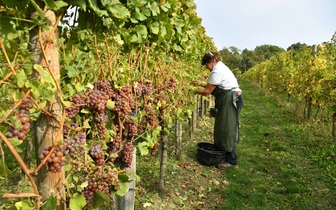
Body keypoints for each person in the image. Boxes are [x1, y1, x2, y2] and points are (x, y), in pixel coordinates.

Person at [194, 51, 243, 168]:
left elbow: (207, 92)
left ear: (213, 62)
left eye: (207, 64)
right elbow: (213, 85)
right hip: (232, 99)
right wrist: (199, 83)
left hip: (230, 101)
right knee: (224, 128)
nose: (207, 67)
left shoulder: (217, 71)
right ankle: (224, 156)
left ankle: (231, 161)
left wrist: (193, 90)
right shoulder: (221, 67)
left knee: (227, 130)